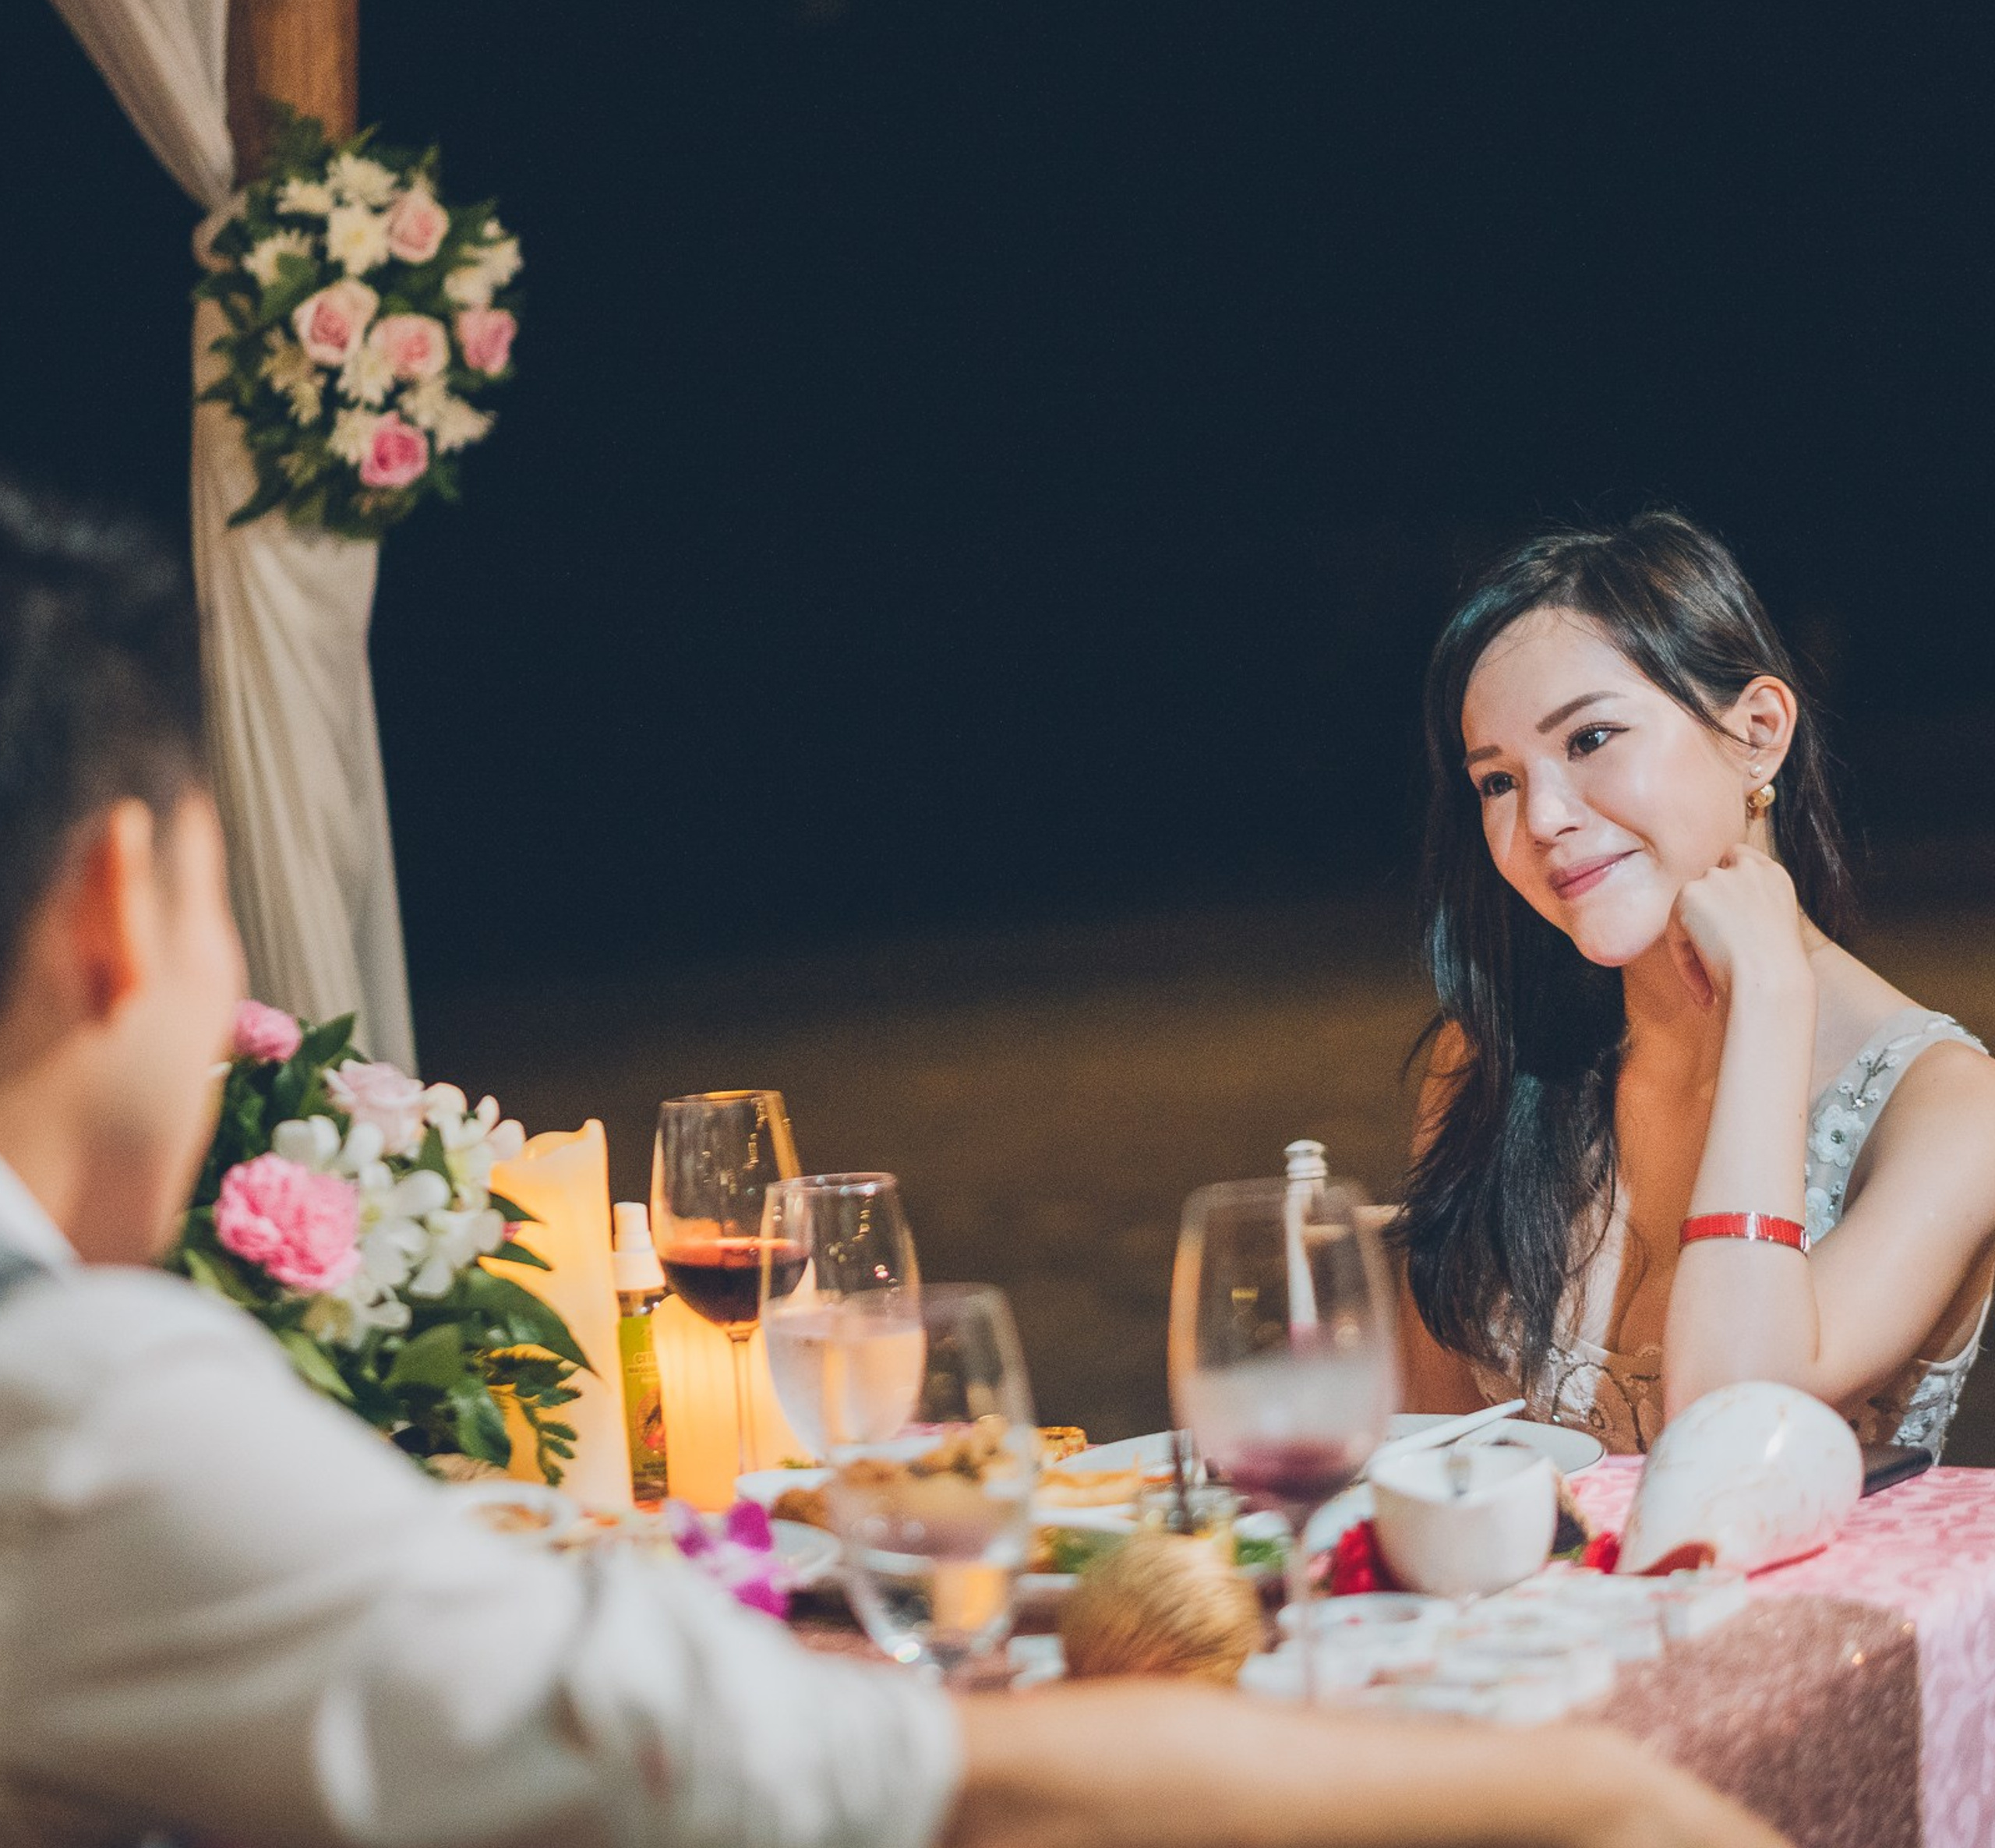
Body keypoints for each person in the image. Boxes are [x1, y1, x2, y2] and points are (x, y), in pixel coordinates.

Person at [0, 475, 1780, 1848]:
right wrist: (1569, 1800)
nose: (1536, 814)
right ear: (113, 904)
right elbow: (833, 1771)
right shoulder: (65, 1407)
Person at [1394, 509, 1995, 1457]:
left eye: (1589, 739)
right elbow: (1431, 1455)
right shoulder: (1494, 1060)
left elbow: (1730, 1418)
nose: (1542, 816)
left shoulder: (1951, 1106)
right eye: (1496, 782)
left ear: (1756, 732)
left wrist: (1767, 1000)